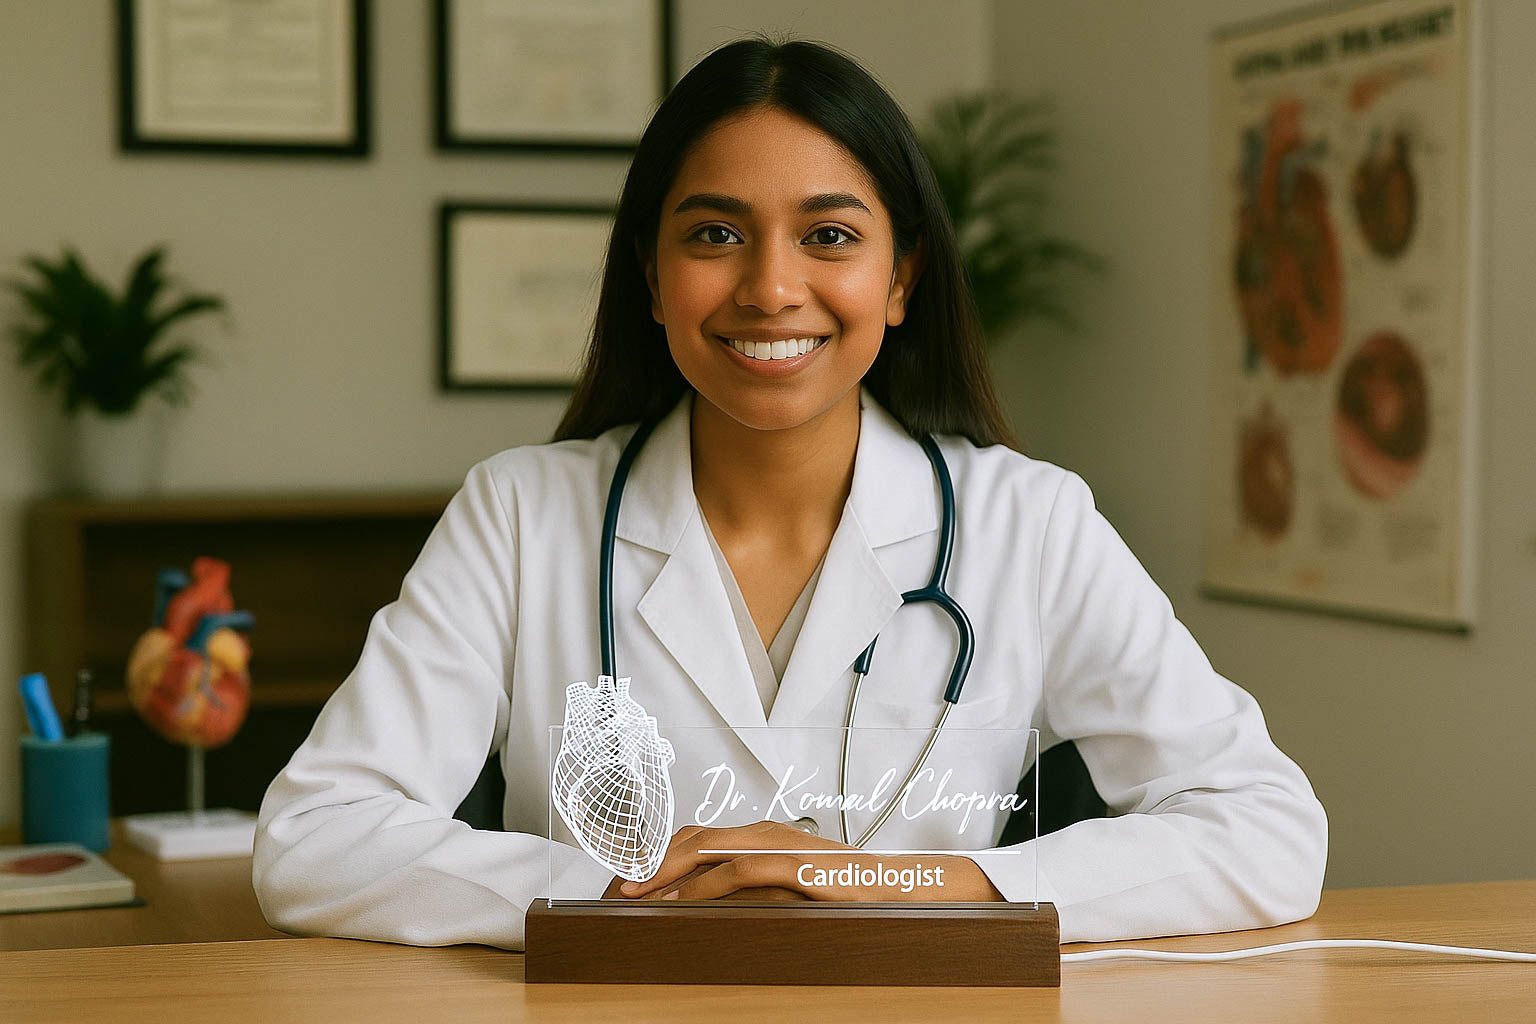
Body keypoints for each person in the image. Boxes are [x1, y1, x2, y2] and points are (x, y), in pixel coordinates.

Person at [253, 34, 1327, 949]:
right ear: (652, 274)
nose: (770, 288)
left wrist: (894, 882)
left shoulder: (1029, 524)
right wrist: (640, 891)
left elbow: (1267, 829)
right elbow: (315, 838)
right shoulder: (524, 515)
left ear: (900, 279)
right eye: (715, 234)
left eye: (830, 236)